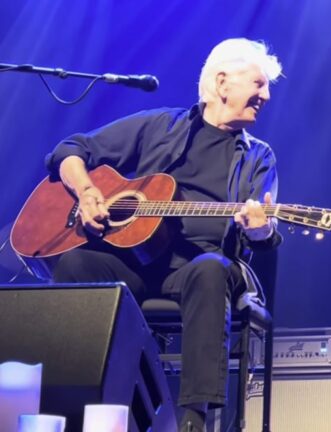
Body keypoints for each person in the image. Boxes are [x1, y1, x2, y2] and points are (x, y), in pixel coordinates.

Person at [45, 38, 282, 431]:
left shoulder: (259, 156)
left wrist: (260, 229)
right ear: (222, 84)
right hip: (136, 263)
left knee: (209, 270)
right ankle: (80, 405)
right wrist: (88, 193)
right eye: (258, 84)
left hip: (202, 270)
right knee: (74, 263)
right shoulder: (159, 126)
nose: (266, 95)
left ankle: (193, 419)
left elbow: (263, 235)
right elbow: (69, 150)